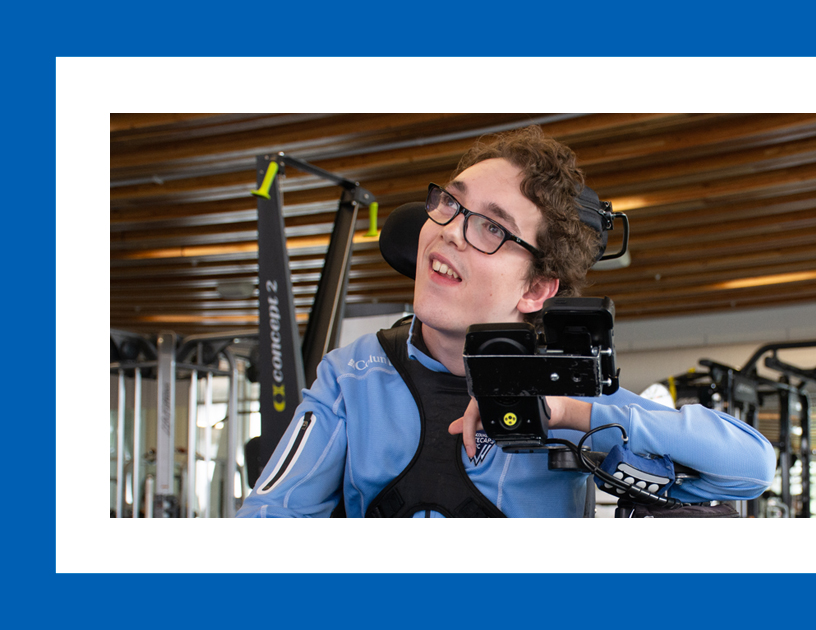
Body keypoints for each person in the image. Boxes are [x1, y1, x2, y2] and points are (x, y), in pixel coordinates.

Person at [236, 126, 776, 518]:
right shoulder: (352, 376)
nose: (448, 230)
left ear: (537, 289)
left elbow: (750, 466)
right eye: (449, 204)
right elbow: (268, 523)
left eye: (492, 229)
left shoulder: (561, 388)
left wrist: (566, 411)